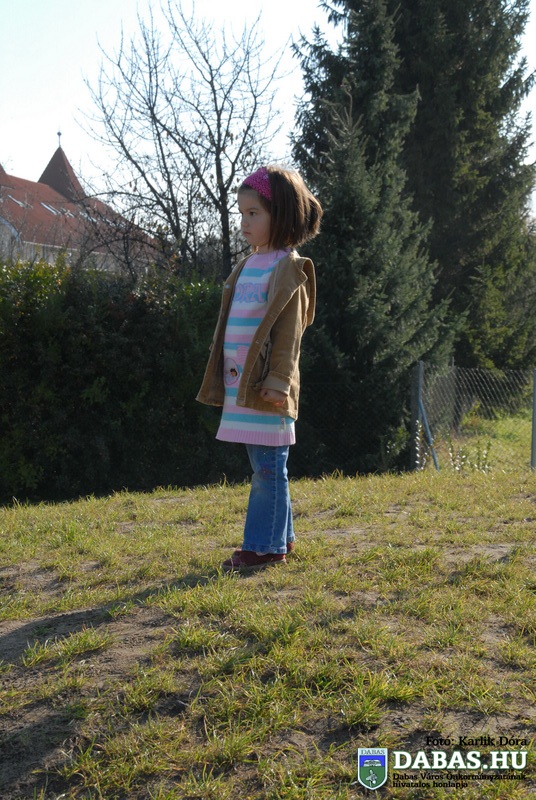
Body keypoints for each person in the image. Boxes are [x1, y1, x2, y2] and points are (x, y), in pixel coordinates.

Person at [196, 165, 322, 572]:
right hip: (243, 385)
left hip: (269, 387)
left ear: (280, 215)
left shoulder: (288, 268)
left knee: (268, 468)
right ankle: (280, 538)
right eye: (242, 213)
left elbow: (289, 335)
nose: (244, 222)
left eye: (254, 213)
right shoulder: (248, 264)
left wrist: (279, 380)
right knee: (265, 465)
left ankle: (262, 548)